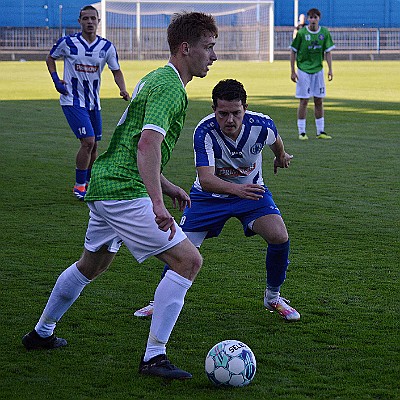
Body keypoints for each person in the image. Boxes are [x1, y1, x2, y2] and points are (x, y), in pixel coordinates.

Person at [22, 11, 218, 380]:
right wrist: (157, 202)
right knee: (188, 262)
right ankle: (154, 357)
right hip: (124, 192)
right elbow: (146, 144)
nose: (214, 56)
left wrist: (166, 184)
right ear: (185, 48)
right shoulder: (170, 87)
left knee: (91, 265)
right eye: (208, 47)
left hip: (106, 182)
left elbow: (133, 144)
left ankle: (41, 333)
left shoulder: (157, 78)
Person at [134, 79, 300, 322]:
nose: (230, 120)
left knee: (279, 236)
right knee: (181, 249)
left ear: (245, 108)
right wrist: (238, 190)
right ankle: (158, 301)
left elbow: (275, 141)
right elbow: (207, 179)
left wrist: (281, 156)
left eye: (236, 113)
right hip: (207, 197)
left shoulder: (262, 125)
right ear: (214, 110)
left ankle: (273, 297)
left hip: (251, 193)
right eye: (223, 114)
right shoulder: (204, 131)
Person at [46, 5, 130, 200]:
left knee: (94, 146)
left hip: (94, 104)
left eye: (93, 18)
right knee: (88, 142)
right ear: (80, 22)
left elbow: (116, 70)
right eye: (86, 19)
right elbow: (50, 58)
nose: (90, 22)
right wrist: (56, 80)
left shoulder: (106, 47)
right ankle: (80, 185)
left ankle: (91, 183)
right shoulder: (68, 43)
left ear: (98, 21)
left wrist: (123, 89)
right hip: (72, 100)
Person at [290, 8, 335, 140]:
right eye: (311, 17)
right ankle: (302, 132)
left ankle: (320, 131)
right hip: (303, 70)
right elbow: (293, 51)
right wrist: (292, 70)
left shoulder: (324, 33)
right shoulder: (302, 33)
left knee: (319, 100)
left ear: (319, 19)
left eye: (315, 17)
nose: (313, 20)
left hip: (318, 71)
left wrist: (330, 69)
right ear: (308, 19)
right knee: (304, 100)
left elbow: (328, 52)